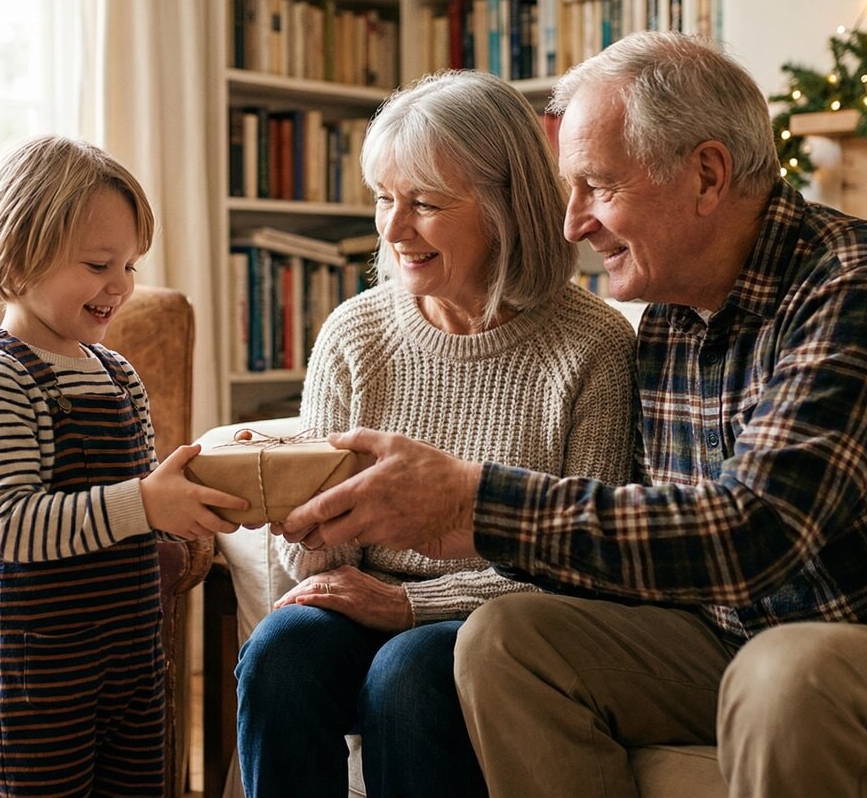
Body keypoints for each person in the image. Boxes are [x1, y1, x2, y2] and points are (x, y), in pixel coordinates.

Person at [280, 31, 867, 798]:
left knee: (786, 676)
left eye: (597, 186)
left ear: (707, 175)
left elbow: (756, 530)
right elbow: (639, 533)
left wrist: (471, 499)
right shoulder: (668, 321)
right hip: (726, 635)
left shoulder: (860, 284)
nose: (571, 223)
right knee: (504, 641)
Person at [235, 69, 637, 798]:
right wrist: (294, 511)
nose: (392, 229)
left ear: (504, 208)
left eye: (423, 203)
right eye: (385, 200)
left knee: (409, 671)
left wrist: (413, 604)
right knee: (278, 652)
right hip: (364, 599)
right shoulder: (355, 333)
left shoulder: (594, 347)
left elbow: (583, 567)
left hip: (502, 616)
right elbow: (317, 557)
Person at [0, 135, 246, 797]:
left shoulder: (116, 374)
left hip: (132, 666)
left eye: (132, 264)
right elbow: (8, 524)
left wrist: (208, 484)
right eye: (100, 263)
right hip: (39, 685)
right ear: (17, 257)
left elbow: (139, 505)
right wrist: (145, 501)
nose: (121, 285)